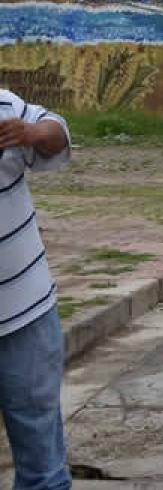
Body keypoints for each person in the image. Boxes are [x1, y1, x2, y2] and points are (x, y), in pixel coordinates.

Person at [0, 89, 73, 489]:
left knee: (41, 465)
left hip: (24, 311)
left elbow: (57, 131)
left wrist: (29, 132)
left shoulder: (3, 105)